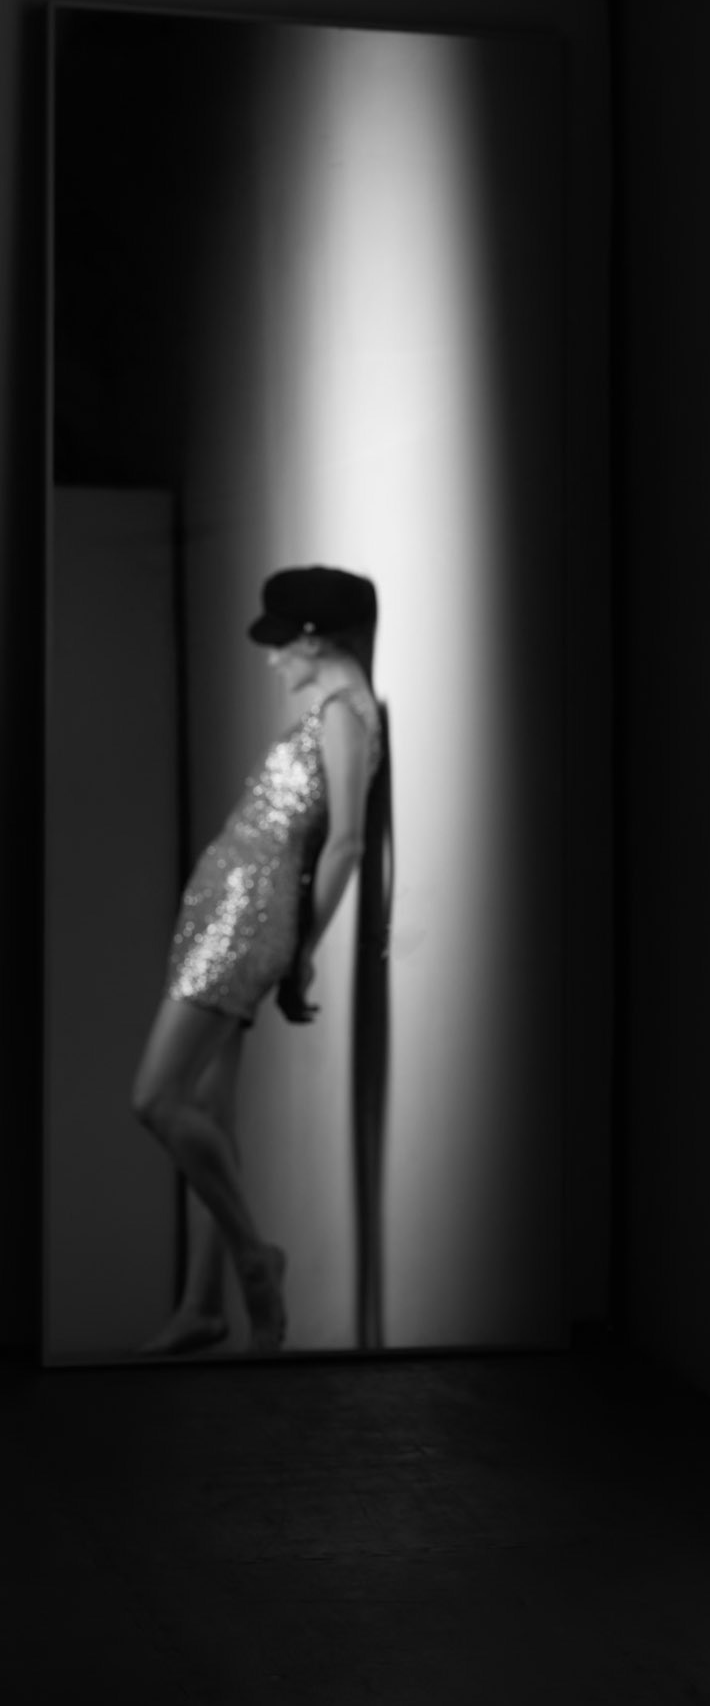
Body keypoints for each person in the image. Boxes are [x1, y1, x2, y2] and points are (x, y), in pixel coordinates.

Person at [133, 567, 385, 1358]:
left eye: (282, 644)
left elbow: (345, 843)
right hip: (223, 911)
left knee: (156, 1100)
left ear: (315, 639)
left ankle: (253, 1260)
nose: (273, 660)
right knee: (209, 1115)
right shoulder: (332, 709)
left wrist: (301, 951)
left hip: (245, 924)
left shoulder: (344, 714)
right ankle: (202, 1305)